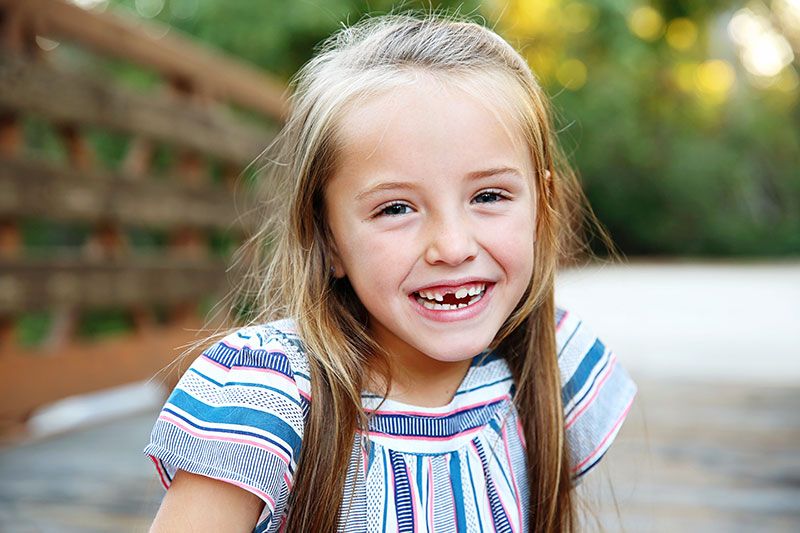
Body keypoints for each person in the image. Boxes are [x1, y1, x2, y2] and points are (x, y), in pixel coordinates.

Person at [144, 12, 637, 533]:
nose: (451, 246)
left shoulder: (552, 365)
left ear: (541, 206)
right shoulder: (269, 396)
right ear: (328, 239)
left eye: (489, 196)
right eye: (396, 208)